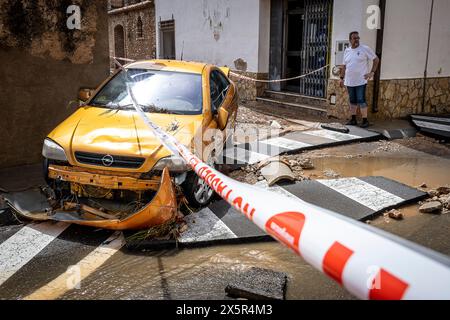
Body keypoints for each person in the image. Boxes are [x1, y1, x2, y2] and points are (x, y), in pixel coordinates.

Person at [340, 31, 380, 128]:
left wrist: (372, 72)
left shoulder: (365, 49)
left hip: (361, 81)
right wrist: (341, 78)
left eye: (358, 38)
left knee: (361, 99)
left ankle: (365, 121)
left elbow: (376, 59)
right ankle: (353, 119)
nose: (357, 40)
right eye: (354, 38)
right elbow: (344, 65)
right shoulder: (347, 51)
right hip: (349, 81)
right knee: (352, 100)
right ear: (350, 40)